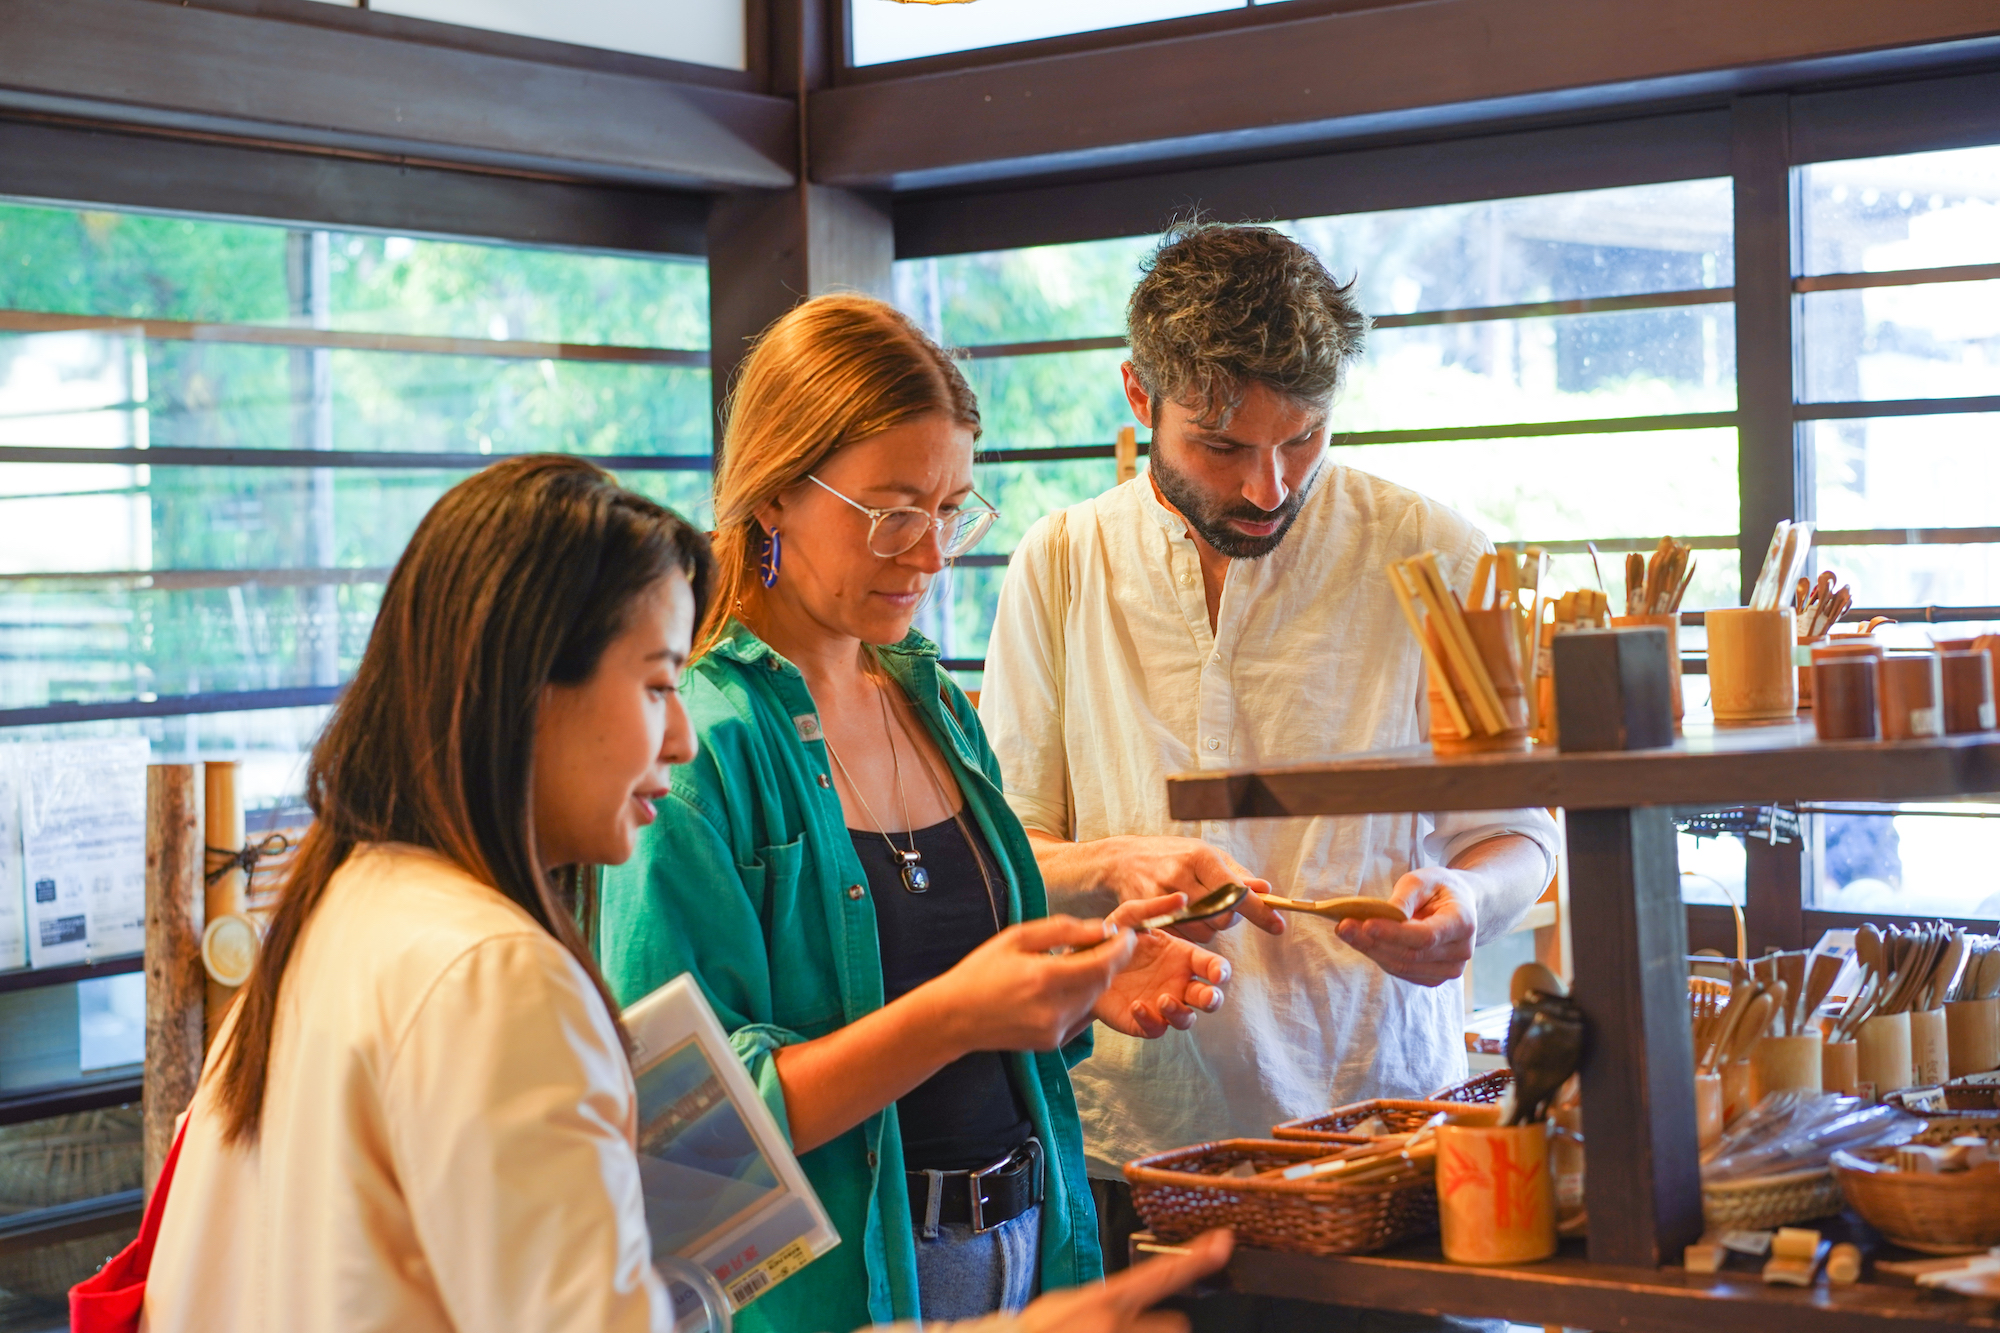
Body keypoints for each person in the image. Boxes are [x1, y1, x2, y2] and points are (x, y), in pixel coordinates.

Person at [140, 453, 1230, 1333]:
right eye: (658, 682)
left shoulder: (352, 902)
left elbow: (642, 1216)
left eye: (952, 508)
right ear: (528, 687)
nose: (674, 734)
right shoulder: (494, 972)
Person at [597, 295, 1232, 1333]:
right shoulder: (700, 743)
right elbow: (681, 1143)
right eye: (892, 511)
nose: (933, 554)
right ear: (773, 497)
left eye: (951, 510)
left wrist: (1082, 983)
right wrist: (960, 1015)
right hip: (848, 1292)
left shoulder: (930, 699)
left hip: (1030, 1241)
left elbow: (961, 976)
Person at [978, 225, 1562, 1281]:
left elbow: (1520, 830)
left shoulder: (1437, 555)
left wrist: (1466, 906)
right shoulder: (1058, 562)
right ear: (1136, 393)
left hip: (1380, 1128)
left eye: (1302, 440)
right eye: (1223, 447)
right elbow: (1010, 847)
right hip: (1131, 1142)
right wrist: (1112, 865)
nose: (1266, 487)